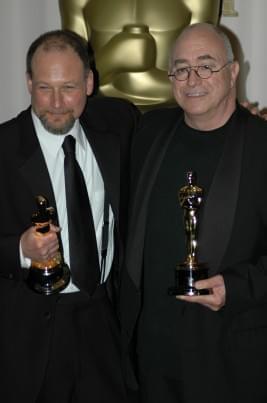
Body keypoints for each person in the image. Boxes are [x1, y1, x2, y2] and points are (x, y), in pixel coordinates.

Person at [120, 22, 267, 403]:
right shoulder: (148, 131)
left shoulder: (262, 145)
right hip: (148, 361)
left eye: (206, 66)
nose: (192, 79)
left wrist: (236, 287)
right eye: (181, 68)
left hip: (228, 363)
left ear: (233, 71)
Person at [0, 29, 139, 403]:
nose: (58, 103)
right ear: (28, 82)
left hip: (102, 320)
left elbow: (172, 127)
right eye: (45, 88)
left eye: (70, 87)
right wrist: (20, 249)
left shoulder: (118, 123)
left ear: (90, 83)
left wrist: (236, 116)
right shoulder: (4, 148)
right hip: (30, 337)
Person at [58, 0, 221, 109]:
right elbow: (68, 79)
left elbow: (205, 80)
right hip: (101, 123)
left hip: (173, 122)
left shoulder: (198, 2)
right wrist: (113, 58)